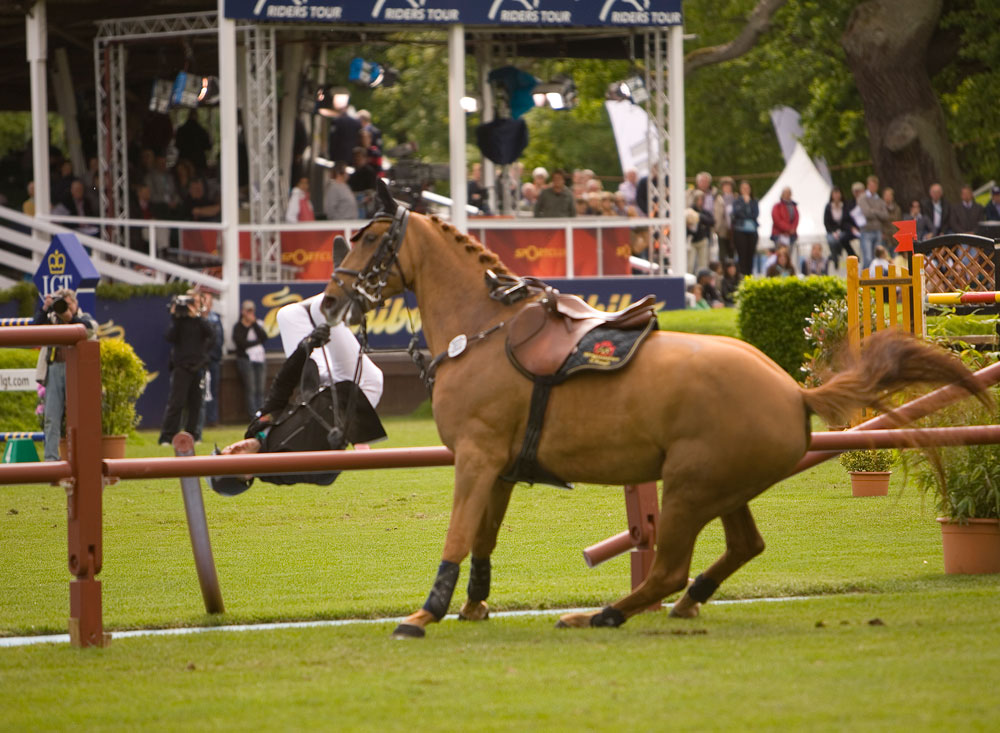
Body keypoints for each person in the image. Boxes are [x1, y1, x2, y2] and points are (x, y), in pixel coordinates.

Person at [210, 320, 387, 495]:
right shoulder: (278, 470)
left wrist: (307, 346)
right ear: (246, 476)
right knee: (327, 315)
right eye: (231, 459)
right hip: (354, 395)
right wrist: (337, 448)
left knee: (288, 315)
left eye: (224, 451)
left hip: (325, 385)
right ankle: (339, 304)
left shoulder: (257, 429)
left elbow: (281, 386)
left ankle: (330, 310)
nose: (231, 449)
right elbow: (324, 478)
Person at [33, 289, 98, 462]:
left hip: (77, 371)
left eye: (68, 304)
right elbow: (35, 329)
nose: (64, 309)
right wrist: (45, 308)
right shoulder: (52, 320)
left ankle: (84, 460)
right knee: (51, 417)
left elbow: (90, 331)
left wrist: (70, 318)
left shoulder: (85, 318)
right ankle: (51, 460)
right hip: (54, 368)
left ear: (76, 304)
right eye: (61, 305)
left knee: (81, 417)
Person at [158, 291, 213, 445]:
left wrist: (195, 315)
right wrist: (175, 315)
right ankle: (167, 437)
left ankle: (193, 435)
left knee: (196, 403)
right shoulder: (179, 322)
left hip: (198, 366)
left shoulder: (200, 322)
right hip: (181, 367)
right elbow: (169, 336)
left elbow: (211, 334)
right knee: (176, 403)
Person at [232, 300, 269, 420]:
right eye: (248, 311)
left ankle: (261, 413)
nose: (250, 313)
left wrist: (253, 324)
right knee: (251, 388)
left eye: (252, 310)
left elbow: (264, 337)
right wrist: (255, 342)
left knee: (260, 388)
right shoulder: (238, 326)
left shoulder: (257, 324)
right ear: (243, 312)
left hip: (259, 359)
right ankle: (253, 415)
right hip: (246, 360)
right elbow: (241, 343)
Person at [198, 291, 225, 430]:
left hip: (214, 359)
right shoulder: (198, 319)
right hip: (201, 360)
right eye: (205, 302)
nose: (207, 306)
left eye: (209, 302)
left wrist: (215, 355)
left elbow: (219, 339)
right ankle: (199, 421)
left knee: (213, 389)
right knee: (200, 391)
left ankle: (212, 419)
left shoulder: (216, 319)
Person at [730, 180, 759, 276]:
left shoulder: (754, 201)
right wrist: (745, 204)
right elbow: (737, 213)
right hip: (740, 231)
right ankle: (742, 274)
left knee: (750, 254)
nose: (746, 190)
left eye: (747, 188)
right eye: (744, 188)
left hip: (752, 231)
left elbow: (755, 214)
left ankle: (749, 275)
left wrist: (748, 206)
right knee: (742, 254)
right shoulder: (737, 201)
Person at [858, 175, 888, 266]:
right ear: (868, 186)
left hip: (878, 231)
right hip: (866, 231)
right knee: (868, 258)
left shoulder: (879, 200)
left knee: (877, 258)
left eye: (874, 186)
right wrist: (878, 212)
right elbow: (867, 213)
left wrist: (873, 211)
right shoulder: (862, 198)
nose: (873, 188)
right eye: (871, 185)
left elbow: (885, 215)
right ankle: (865, 279)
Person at [824, 187, 856, 270]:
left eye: (838, 193)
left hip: (843, 230)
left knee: (842, 239)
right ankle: (835, 257)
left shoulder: (845, 205)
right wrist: (833, 232)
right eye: (835, 193)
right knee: (831, 240)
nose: (837, 196)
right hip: (831, 231)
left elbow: (848, 220)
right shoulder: (828, 207)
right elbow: (826, 222)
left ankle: (839, 255)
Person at [686, 190, 714, 274]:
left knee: (703, 264)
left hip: (702, 240)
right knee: (690, 264)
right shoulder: (689, 211)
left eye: (702, 199)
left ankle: (702, 281)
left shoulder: (705, 212)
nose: (701, 202)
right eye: (699, 199)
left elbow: (711, 222)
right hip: (691, 240)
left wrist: (699, 216)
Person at [714, 176, 736, 262]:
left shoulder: (735, 198)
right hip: (722, 229)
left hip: (733, 230)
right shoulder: (719, 199)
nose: (727, 188)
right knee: (722, 253)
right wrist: (717, 227)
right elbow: (717, 214)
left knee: (732, 252)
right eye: (725, 186)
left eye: (729, 186)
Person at [881, 187, 902, 255]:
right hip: (884, 238)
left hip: (895, 239)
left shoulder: (897, 209)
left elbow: (899, 222)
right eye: (886, 195)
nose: (888, 197)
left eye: (889, 195)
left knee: (895, 260)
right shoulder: (880, 208)